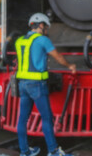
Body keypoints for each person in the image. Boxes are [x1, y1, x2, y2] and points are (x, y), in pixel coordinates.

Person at [16, 13, 76, 156]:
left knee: (22, 118)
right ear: (41, 25)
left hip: (22, 84)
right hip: (37, 84)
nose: (46, 30)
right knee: (47, 118)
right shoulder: (42, 40)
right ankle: (54, 151)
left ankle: (24, 151)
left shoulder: (19, 41)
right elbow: (58, 57)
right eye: (46, 27)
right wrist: (70, 66)